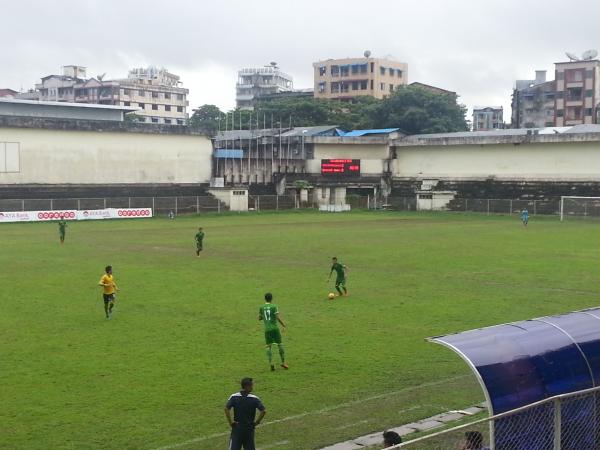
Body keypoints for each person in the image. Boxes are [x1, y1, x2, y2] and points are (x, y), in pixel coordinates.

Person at [225, 377, 266, 450]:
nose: (252, 387)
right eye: (251, 385)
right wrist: (257, 422)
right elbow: (263, 411)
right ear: (247, 386)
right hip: (249, 429)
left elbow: (226, 409)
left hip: (237, 428)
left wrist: (231, 422)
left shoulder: (234, 397)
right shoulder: (254, 398)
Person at [258, 293, 288, 371]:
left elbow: (259, 318)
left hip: (267, 330)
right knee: (280, 345)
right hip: (275, 329)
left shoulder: (261, 307)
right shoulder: (274, 306)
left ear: (265, 299)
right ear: (271, 298)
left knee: (268, 347)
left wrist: (263, 317)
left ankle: (271, 364)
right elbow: (277, 317)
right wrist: (283, 325)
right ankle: (283, 362)